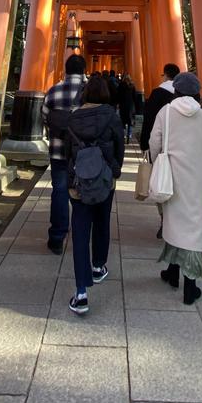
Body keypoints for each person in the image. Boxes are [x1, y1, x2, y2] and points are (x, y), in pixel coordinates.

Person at [149, 71, 202, 305]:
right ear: (197, 93)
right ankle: (184, 281)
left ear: (176, 91)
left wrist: (158, 160)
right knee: (194, 229)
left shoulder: (166, 113)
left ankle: (179, 277)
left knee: (173, 223)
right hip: (198, 180)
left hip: (172, 177)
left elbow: (154, 142)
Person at [65, 72, 125, 315]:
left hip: (79, 182)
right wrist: (115, 171)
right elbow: (119, 146)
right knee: (102, 221)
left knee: (80, 233)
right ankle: (99, 266)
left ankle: (81, 292)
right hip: (103, 180)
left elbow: (67, 152)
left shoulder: (73, 118)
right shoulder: (112, 116)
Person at [42, 53, 87, 254]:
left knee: (59, 191)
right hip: (85, 153)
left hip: (59, 151)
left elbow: (44, 116)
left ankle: (57, 237)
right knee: (84, 192)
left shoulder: (54, 90)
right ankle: (82, 235)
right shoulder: (90, 91)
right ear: (84, 70)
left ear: (66, 70)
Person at [140, 62, 179, 154]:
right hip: (177, 139)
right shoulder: (181, 94)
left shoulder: (157, 93)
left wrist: (144, 143)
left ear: (165, 75)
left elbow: (149, 118)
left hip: (159, 136)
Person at [117, 73, 137, 144]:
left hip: (123, 105)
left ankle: (123, 134)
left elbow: (118, 95)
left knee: (122, 120)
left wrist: (118, 103)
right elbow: (135, 96)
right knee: (130, 120)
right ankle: (129, 134)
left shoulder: (121, 85)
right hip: (130, 105)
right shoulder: (132, 85)